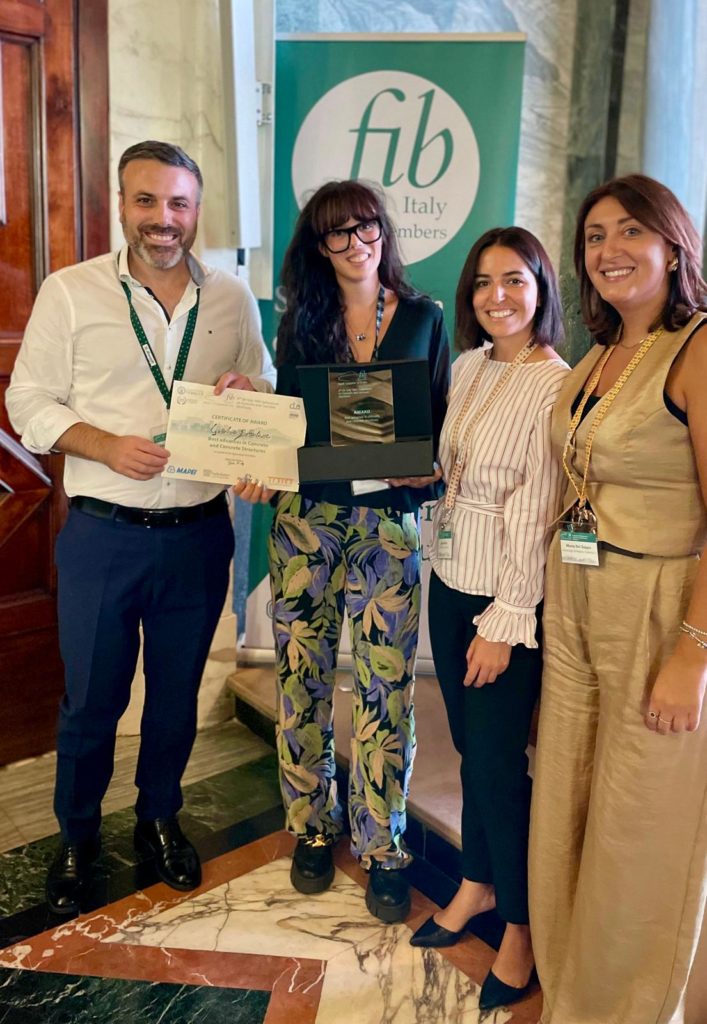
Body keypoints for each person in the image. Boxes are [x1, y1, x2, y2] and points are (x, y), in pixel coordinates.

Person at [6, 140, 275, 916]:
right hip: (104, 536)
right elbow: (28, 401)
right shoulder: (71, 291)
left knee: (175, 695)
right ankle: (77, 835)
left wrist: (251, 390)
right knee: (92, 700)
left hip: (199, 535)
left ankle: (159, 818)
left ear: (197, 210)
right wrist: (103, 444)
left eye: (179, 203)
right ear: (121, 204)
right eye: (147, 201)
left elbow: (263, 382)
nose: (164, 219)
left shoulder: (232, 299)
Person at [235, 179, 450, 923]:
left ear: (383, 231)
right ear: (318, 247)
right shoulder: (301, 322)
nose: (356, 245)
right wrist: (252, 435)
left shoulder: (424, 317)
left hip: (387, 527)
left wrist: (429, 473)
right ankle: (311, 827)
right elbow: (290, 423)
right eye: (337, 234)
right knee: (302, 680)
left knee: (386, 687)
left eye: (366, 229)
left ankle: (384, 845)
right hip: (307, 522)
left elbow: (441, 425)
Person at [529, 174, 707, 1024]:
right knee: (570, 798)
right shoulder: (598, 355)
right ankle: (572, 989)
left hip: (654, 600)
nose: (609, 250)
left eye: (630, 230)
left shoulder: (696, 349)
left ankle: (628, 1009)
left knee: (639, 821)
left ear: (673, 244)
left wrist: (692, 654)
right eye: (594, 236)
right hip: (576, 596)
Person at [408, 226, 569, 1013]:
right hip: (448, 578)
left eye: (513, 280)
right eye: (482, 282)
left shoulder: (554, 384)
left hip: (503, 601)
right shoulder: (469, 365)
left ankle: (521, 927)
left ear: (541, 288)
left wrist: (504, 623)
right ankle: (476, 882)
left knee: (501, 766)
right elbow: (456, 466)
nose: (495, 296)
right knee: (472, 753)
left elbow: (537, 512)